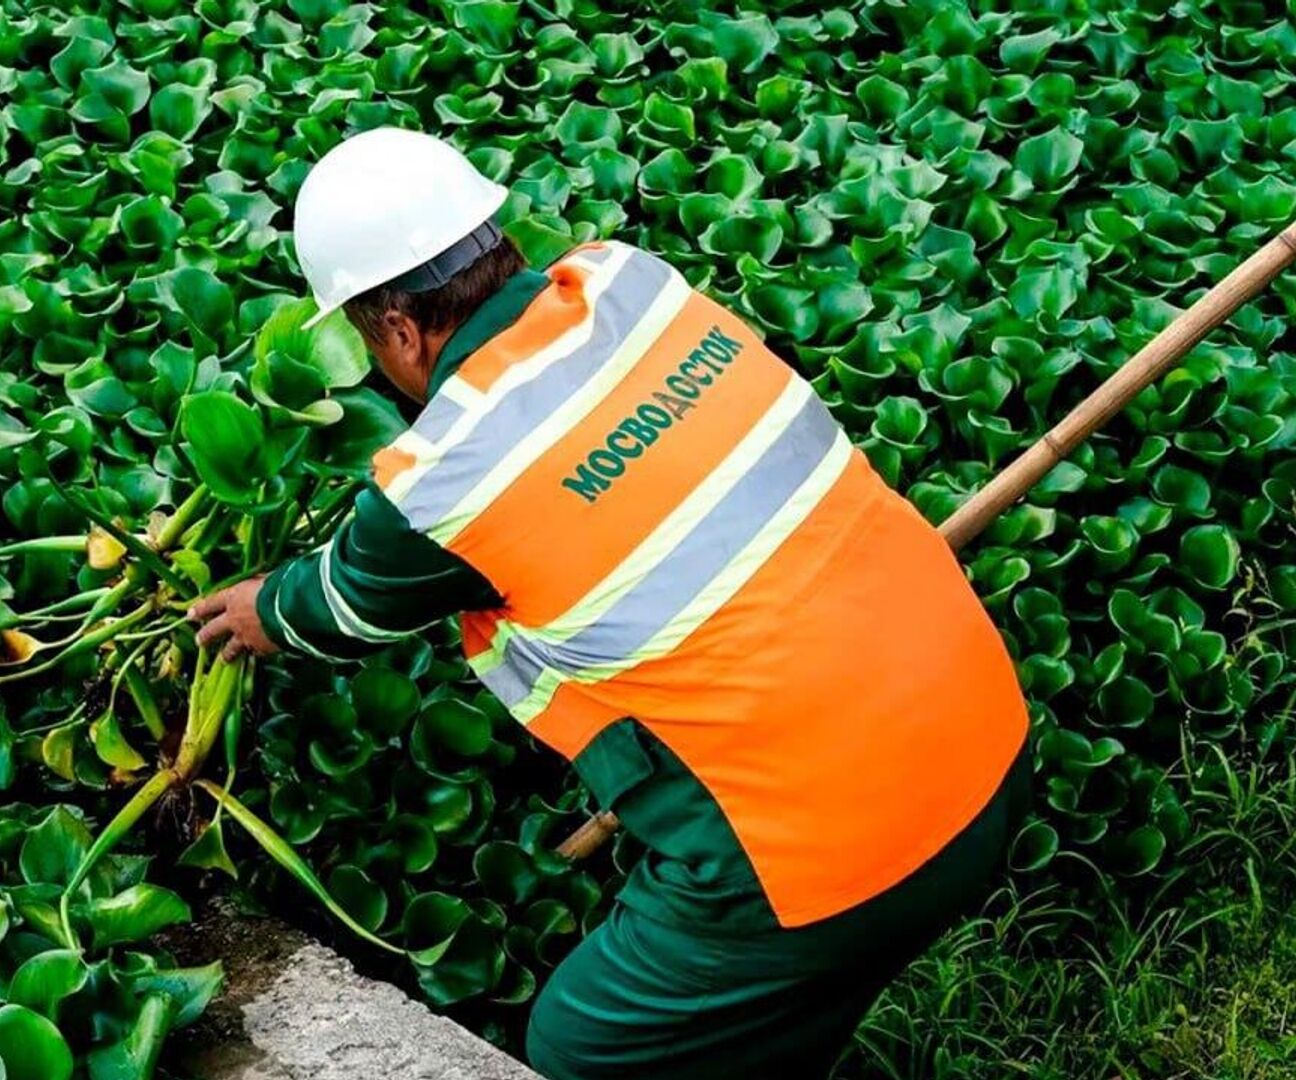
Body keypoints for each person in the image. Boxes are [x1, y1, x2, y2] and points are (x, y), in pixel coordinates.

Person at [187, 127, 1031, 1080]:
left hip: (839, 856)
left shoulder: (441, 484)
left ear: (398, 330)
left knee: (586, 1045)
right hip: (988, 745)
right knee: (768, 1016)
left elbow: (342, 607)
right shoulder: (635, 283)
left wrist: (261, 608)